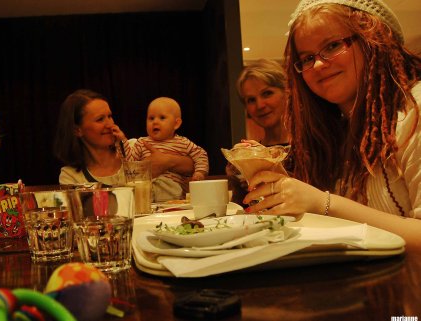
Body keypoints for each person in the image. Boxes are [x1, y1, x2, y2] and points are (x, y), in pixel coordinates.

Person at [242, 0, 421, 251]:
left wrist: (324, 203)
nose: (317, 65)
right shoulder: (334, 132)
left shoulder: (415, 109)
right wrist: (286, 194)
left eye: (333, 45)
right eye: (306, 58)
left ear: (374, 40)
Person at [53, 89, 195, 188]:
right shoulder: (71, 176)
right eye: (100, 119)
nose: (110, 124)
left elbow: (192, 166)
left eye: (109, 116)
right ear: (77, 130)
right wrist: (143, 173)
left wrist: (167, 161)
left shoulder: (133, 147)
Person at [226, 59, 290, 204]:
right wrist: (237, 181)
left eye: (267, 93)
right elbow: (245, 210)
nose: (260, 105)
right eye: (251, 100)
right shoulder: (250, 154)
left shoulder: (312, 145)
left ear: (286, 93)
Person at [123, 97, 209, 201]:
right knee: (135, 190)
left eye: (162, 118)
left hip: (171, 188)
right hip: (147, 187)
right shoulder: (142, 142)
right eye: (151, 118)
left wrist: (200, 173)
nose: (155, 122)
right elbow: (130, 164)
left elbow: (201, 154)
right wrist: (123, 142)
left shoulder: (183, 142)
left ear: (176, 124)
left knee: (171, 188)